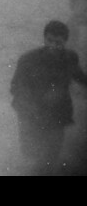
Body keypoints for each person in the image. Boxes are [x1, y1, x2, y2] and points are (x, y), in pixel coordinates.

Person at [10, 21, 87, 174]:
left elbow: (80, 77)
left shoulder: (69, 58)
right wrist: (31, 106)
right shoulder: (28, 60)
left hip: (57, 114)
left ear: (65, 42)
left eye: (58, 43)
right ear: (44, 38)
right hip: (31, 114)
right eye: (49, 40)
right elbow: (16, 87)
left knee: (51, 156)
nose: (53, 46)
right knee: (31, 153)